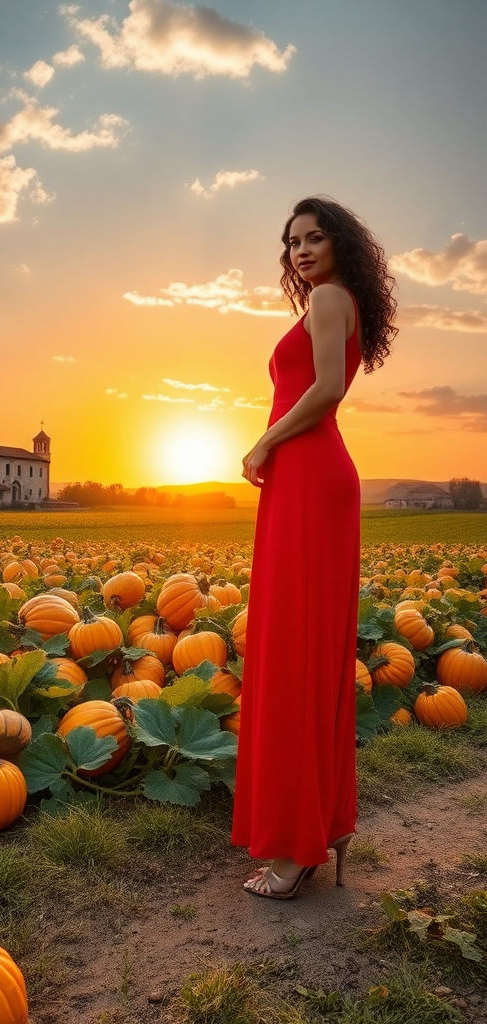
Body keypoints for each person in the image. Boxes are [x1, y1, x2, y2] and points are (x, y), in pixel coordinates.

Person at [231, 195, 397, 899]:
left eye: (314, 237)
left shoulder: (330, 298)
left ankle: (297, 850)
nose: (301, 251)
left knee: (298, 652)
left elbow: (328, 388)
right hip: (304, 482)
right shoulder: (332, 300)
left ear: (339, 244)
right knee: (303, 648)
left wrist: (266, 437)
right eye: (292, 241)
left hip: (309, 475)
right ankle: (320, 823)